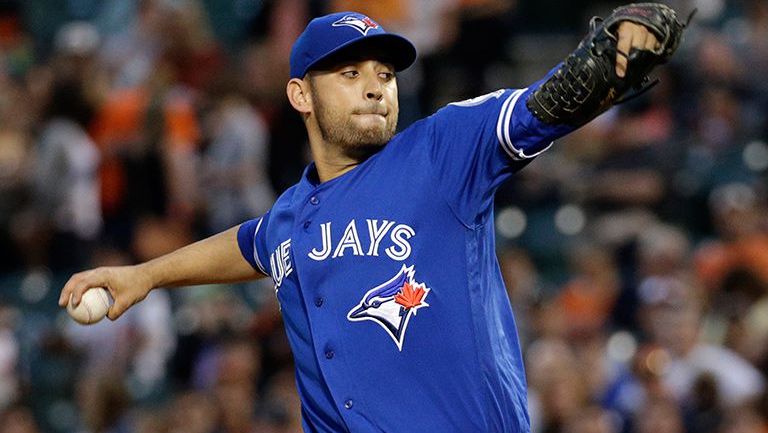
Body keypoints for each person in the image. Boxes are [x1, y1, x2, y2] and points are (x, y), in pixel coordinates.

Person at [59, 5, 687, 432]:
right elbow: (251, 244)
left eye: (384, 74)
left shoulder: (442, 152)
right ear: (300, 94)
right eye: (349, 72)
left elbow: (542, 107)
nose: (375, 86)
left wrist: (608, 64)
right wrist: (145, 275)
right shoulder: (290, 215)